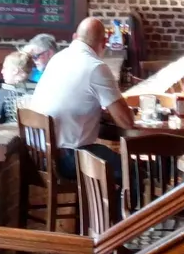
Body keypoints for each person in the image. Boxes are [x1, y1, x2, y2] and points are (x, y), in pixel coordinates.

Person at [33, 16, 133, 193]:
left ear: (74, 37)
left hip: (39, 154)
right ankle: (127, 214)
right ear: (104, 43)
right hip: (68, 157)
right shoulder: (95, 67)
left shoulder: (58, 58)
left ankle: (101, 209)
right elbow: (126, 122)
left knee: (113, 160)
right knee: (132, 171)